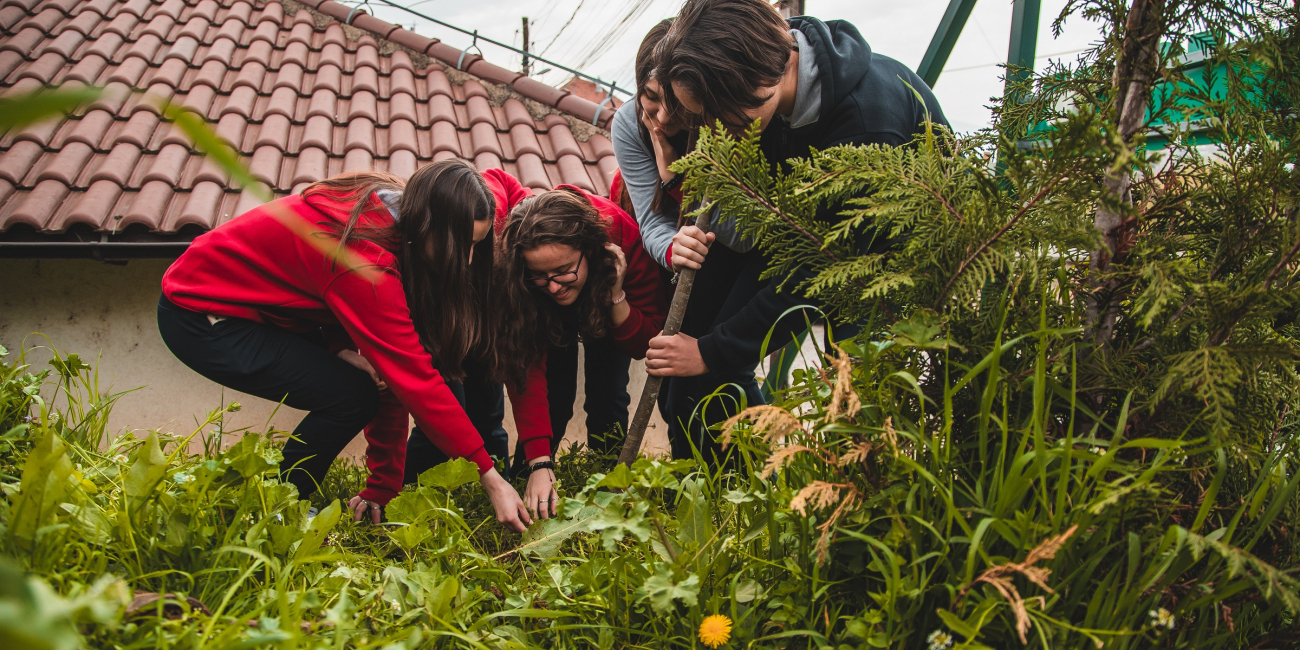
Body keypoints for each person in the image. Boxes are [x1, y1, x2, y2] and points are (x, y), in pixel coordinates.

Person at [157, 160, 555, 531]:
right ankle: (282, 502)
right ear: (429, 225)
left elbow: (389, 378)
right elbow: (412, 380)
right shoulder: (366, 265)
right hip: (204, 314)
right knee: (349, 395)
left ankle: (286, 496)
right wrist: (490, 476)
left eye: (475, 246)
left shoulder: (398, 214)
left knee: (365, 383)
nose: (467, 261)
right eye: (460, 246)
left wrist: (382, 489)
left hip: (271, 311)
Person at [641, 0, 949, 461]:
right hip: (805, 238)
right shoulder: (771, 89)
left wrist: (710, 350)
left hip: (884, 270)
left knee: (858, 403)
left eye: (713, 115)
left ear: (754, 92)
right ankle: (725, 501)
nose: (708, 129)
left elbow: (823, 272)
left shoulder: (867, 123)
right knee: (698, 375)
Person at [489, 169, 670, 471]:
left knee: (607, 396)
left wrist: (615, 295)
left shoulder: (624, 239)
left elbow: (646, 341)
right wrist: (538, 463)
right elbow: (526, 368)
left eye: (562, 270)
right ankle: (528, 476)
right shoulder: (522, 274)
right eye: (540, 274)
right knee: (555, 398)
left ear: (589, 250)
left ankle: (608, 480)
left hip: (605, 295)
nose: (554, 286)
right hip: (544, 310)